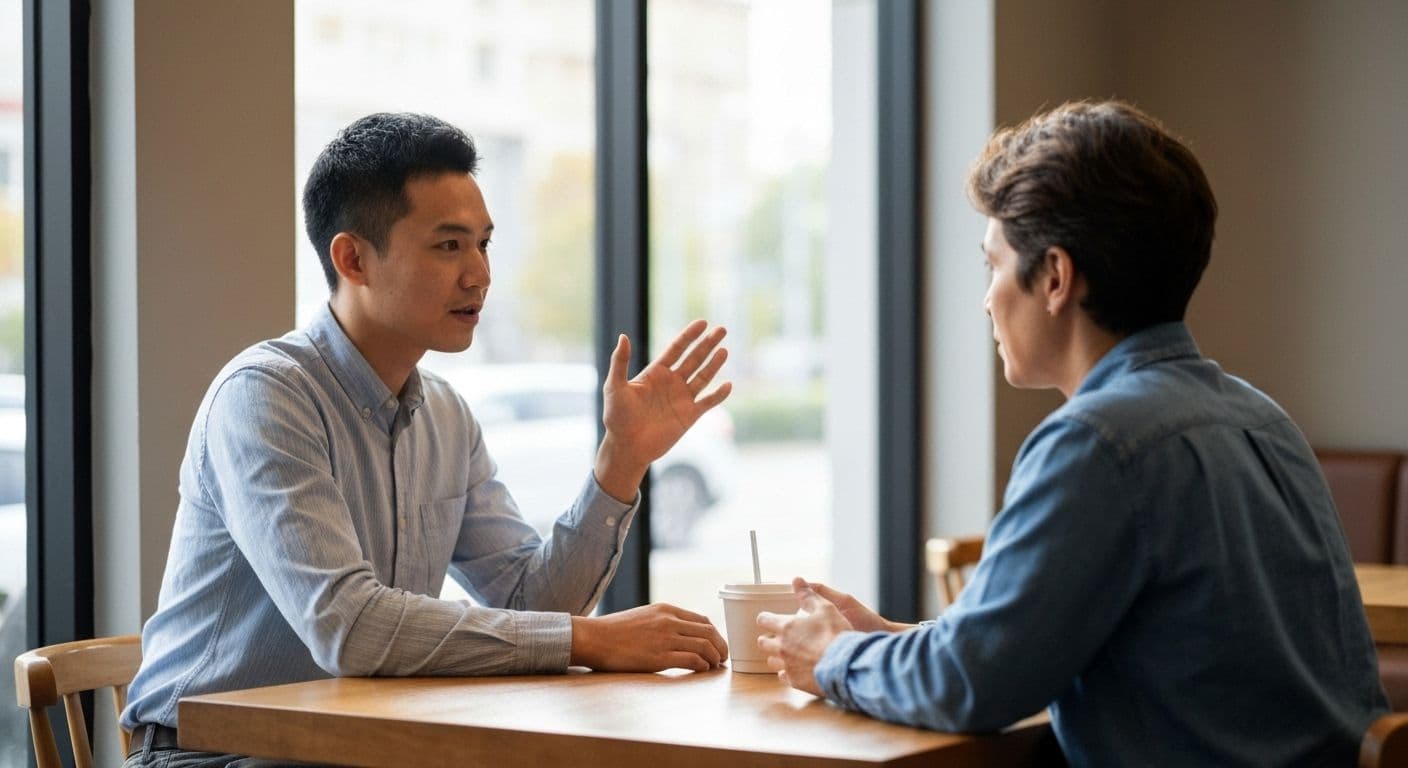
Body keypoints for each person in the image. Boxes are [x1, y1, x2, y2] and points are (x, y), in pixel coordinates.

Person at [758, 100, 1387, 766]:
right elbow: (1032, 655)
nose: (986, 298)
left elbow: (970, 687)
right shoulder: (1262, 418)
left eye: (992, 265)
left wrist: (835, 657)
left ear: (1055, 277)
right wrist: (896, 643)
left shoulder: (1098, 443)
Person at [121, 112, 731, 766]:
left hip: (359, 750)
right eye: (448, 246)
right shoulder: (266, 397)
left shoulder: (445, 414)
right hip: (208, 757)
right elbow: (348, 627)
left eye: (484, 244)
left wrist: (622, 459)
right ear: (353, 258)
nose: (479, 274)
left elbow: (532, 603)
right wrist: (588, 641)